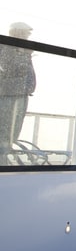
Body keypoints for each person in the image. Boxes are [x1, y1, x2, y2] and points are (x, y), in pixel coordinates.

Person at [0, 22, 36, 156]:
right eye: (26, 33)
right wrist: (22, 55)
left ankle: (6, 150)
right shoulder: (6, 47)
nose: (28, 36)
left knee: (13, 130)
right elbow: (6, 68)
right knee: (5, 130)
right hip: (8, 95)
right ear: (17, 32)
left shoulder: (22, 50)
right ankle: (2, 156)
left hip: (21, 94)